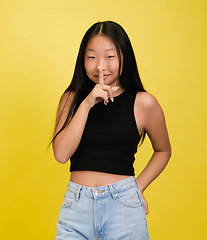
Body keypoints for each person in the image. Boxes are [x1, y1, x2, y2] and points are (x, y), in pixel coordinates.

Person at [52, 21, 171, 240]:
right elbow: (61, 154)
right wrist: (87, 103)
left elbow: (163, 151)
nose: (100, 65)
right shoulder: (71, 99)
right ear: (82, 60)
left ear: (124, 57)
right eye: (91, 57)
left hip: (124, 208)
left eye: (109, 56)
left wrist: (138, 189)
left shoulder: (143, 103)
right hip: (76, 208)